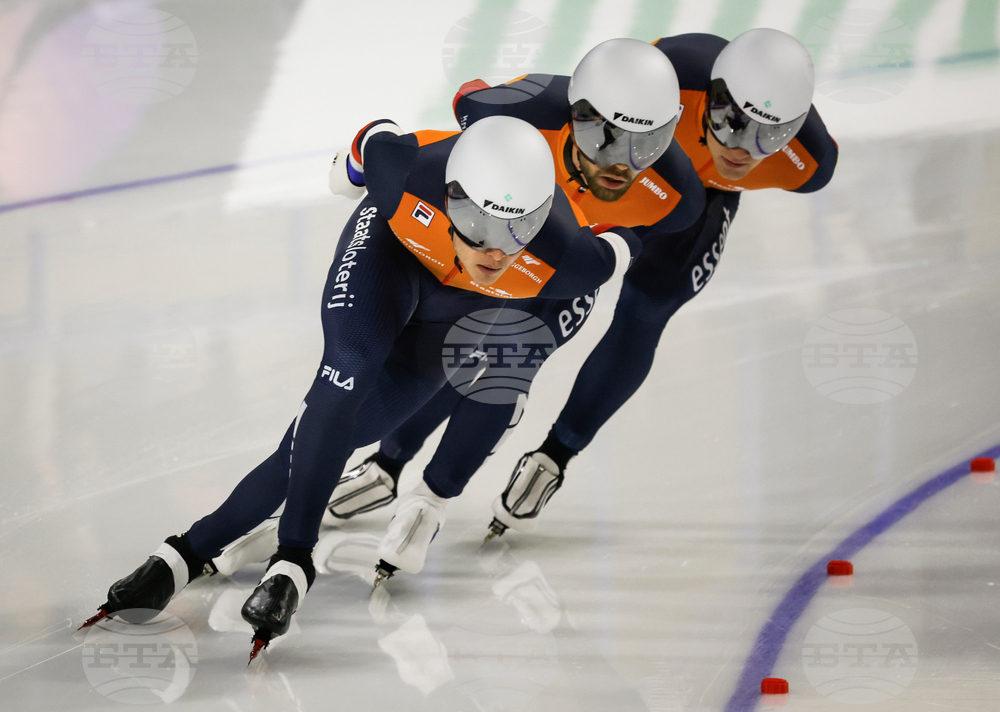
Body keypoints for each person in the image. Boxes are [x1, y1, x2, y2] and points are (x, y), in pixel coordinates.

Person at [80, 114, 642, 662]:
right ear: (451, 197)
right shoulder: (406, 173)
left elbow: (625, 244)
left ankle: (182, 554)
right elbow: (373, 137)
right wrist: (348, 173)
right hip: (390, 252)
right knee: (347, 370)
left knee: (340, 434)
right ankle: (293, 559)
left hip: (452, 314)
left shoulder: (568, 261)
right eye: (482, 226)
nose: (496, 251)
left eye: (517, 229)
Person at [328, 29, 838, 541]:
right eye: (730, 121)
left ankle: (556, 453)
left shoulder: (808, 164)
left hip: (682, 205)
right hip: (603, 195)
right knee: (503, 326)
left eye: (771, 136)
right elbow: (542, 103)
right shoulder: (667, 74)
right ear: (701, 99)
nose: (744, 150)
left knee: (648, 306)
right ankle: (391, 460)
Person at [323, 38, 706, 573]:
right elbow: (462, 110)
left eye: (647, 144)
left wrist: (603, 253)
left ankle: (433, 499)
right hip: (494, 240)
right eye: (606, 137)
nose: (623, 164)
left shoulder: (678, 194)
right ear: (573, 116)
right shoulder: (508, 110)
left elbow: (640, 242)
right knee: (448, 346)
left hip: (567, 259)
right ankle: (389, 461)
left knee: (511, 356)